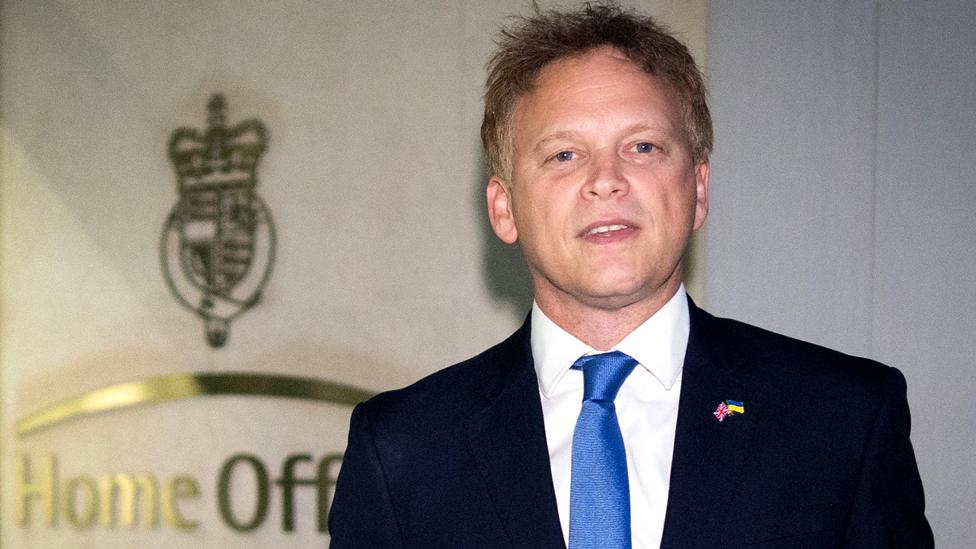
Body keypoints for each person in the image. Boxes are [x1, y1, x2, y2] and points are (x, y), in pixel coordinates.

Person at [328, 3, 933, 548]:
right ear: (504, 208)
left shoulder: (841, 418)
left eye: (642, 147)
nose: (606, 179)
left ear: (698, 190)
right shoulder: (404, 447)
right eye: (564, 154)